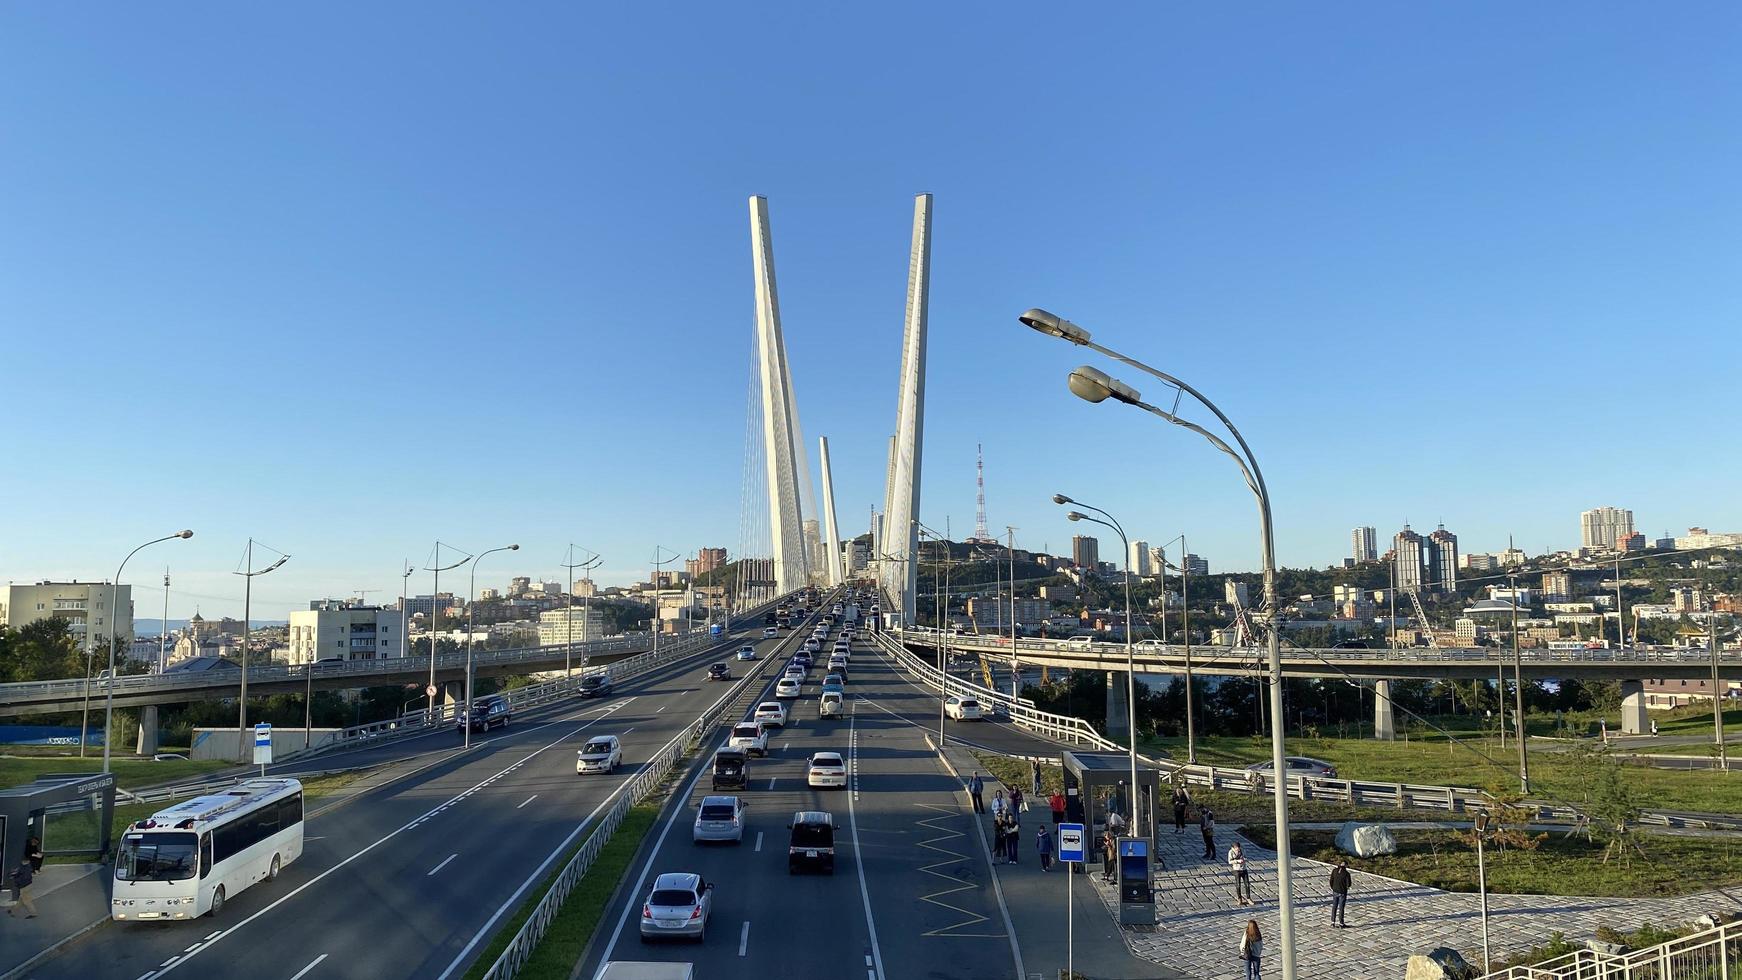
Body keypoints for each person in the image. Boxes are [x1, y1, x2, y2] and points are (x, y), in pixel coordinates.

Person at [1329, 859, 1352, 927]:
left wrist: (1333, 888)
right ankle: (1341, 923)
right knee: (1341, 908)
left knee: (1334, 906)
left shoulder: (1334, 871)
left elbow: (1331, 880)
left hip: (1335, 891)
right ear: (1346, 865)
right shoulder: (1346, 874)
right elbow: (1349, 884)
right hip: (1342, 892)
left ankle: (1332, 922)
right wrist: (1345, 888)